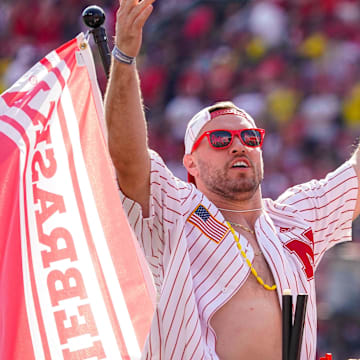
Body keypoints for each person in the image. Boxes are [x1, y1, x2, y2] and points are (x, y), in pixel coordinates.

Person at [104, 0, 360, 359]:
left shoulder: (294, 218)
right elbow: (128, 160)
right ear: (190, 162)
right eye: (221, 140)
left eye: (250, 138)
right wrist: (125, 57)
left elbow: (356, 178)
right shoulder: (177, 213)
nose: (238, 145)